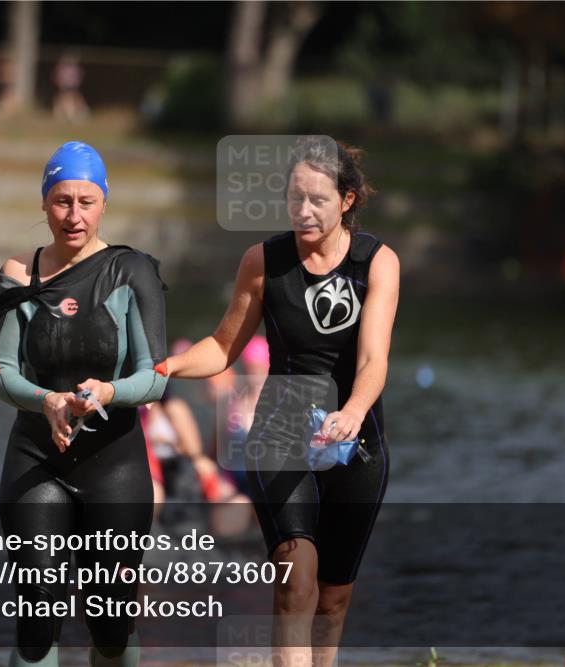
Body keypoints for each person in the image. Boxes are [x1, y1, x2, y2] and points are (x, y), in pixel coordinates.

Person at [158, 137, 399, 667]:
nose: (304, 211)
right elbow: (222, 347)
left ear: (347, 201)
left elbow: (373, 360)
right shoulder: (263, 261)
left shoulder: (377, 262)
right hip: (281, 436)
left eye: (318, 199)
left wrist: (353, 412)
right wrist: (166, 366)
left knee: (332, 600)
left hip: (356, 443)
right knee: (296, 577)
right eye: (295, 198)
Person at [0, 141, 167, 667]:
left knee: (110, 625)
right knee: (39, 614)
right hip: (36, 462)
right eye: (62, 201)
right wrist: (47, 401)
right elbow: (0, 372)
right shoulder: (20, 272)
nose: (73, 215)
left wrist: (109, 392)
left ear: (104, 203)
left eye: (86, 202)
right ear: (44, 204)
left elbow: (153, 378)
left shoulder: (132, 271)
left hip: (115, 464)